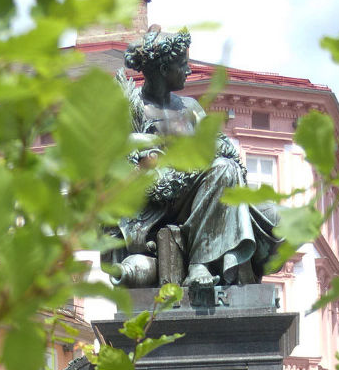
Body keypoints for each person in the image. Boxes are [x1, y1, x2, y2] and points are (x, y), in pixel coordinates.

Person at [117, 27, 278, 288]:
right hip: (157, 207)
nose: (189, 71)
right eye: (182, 64)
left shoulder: (190, 108)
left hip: (202, 192)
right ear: (162, 69)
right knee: (223, 169)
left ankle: (233, 262)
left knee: (276, 217)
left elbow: (223, 147)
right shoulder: (132, 108)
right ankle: (198, 264)